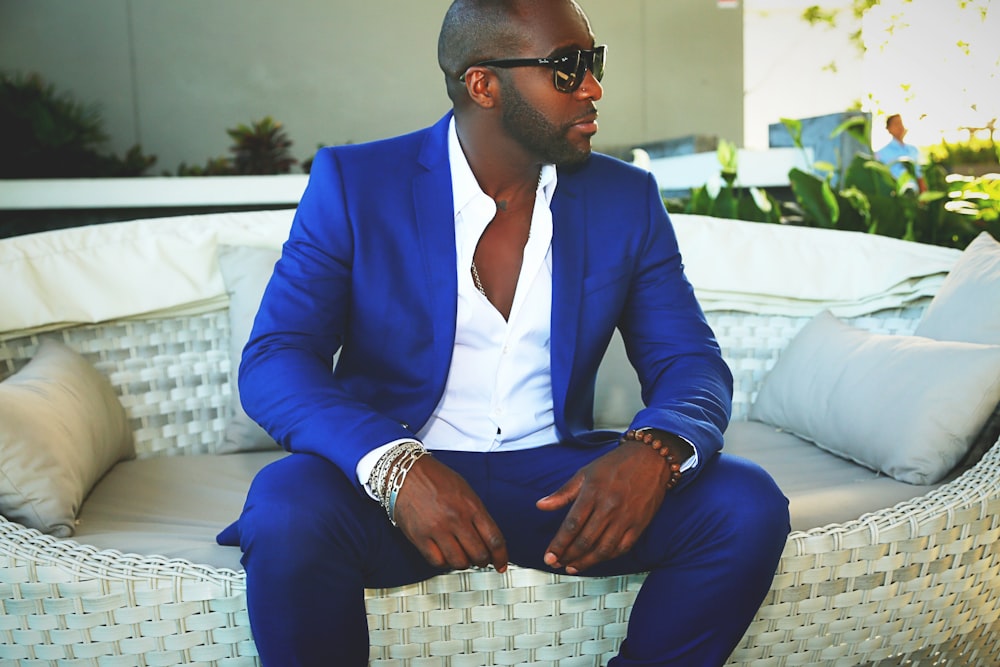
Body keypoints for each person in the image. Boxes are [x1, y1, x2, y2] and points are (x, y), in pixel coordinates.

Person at [218, 1, 790, 665]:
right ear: (483, 84)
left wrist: (656, 449)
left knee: (744, 504)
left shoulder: (625, 198)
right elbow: (275, 358)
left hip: (557, 490)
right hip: (398, 488)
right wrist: (395, 466)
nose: (594, 87)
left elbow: (689, 359)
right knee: (287, 506)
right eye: (567, 68)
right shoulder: (357, 183)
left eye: (593, 63)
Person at [875, 113, 926, 191]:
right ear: (888, 129)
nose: (900, 126)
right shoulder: (881, 153)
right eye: (896, 124)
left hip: (914, 196)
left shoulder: (913, 150)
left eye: (901, 123)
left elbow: (919, 176)